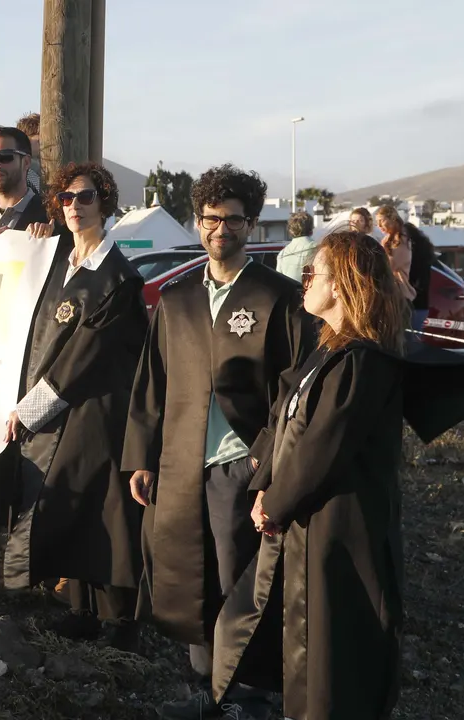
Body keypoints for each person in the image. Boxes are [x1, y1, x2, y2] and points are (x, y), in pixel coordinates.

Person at [211, 231, 464, 720]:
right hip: (305, 524)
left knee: (334, 651)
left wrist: (276, 502)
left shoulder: (362, 361)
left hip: (340, 530)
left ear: (346, 284)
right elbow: (281, 420)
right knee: (296, 640)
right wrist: (263, 487)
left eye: (316, 273)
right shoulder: (327, 352)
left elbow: (322, 448)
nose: (305, 281)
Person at [121, 164, 315, 720]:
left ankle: (249, 696)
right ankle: (206, 689)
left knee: (242, 583)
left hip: (244, 464)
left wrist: (272, 463)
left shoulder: (278, 298)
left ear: (250, 224)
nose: (219, 228)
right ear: (197, 220)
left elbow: (294, 390)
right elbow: (150, 383)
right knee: (187, 575)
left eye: (232, 219)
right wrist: (142, 456)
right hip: (181, 462)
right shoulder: (177, 299)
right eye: (210, 217)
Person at [0, 162, 148, 649]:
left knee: (106, 513)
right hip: (60, 411)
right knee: (73, 509)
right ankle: (82, 610)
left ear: (105, 203)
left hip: (100, 411)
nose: (74, 207)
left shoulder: (117, 278)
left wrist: (27, 412)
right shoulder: (60, 263)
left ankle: (122, 621)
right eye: (65, 199)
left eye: (85, 197)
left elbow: (80, 359)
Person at [375, 206, 416, 304]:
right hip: (390, 293)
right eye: (377, 222)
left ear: (392, 219)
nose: (379, 225)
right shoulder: (387, 239)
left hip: (400, 294)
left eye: (382, 220)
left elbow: (389, 266)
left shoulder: (401, 239)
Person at [276, 211, 317, 283]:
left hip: (288, 293)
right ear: (311, 229)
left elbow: (278, 281)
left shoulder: (282, 253)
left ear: (291, 231)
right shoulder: (316, 248)